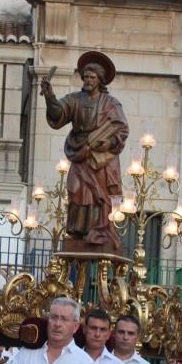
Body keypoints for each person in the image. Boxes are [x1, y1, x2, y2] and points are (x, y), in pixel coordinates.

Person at [41, 52, 128, 254]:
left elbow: (121, 129)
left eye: (92, 77)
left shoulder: (111, 103)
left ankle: (100, 230)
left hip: (101, 158)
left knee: (100, 196)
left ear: (100, 80)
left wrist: (107, 143)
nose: (88, 80)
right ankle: (78, 231)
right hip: (79, 152)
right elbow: (58, 114)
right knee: (76, 191)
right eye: (86, 77)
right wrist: (50, 96)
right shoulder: (74, 99)